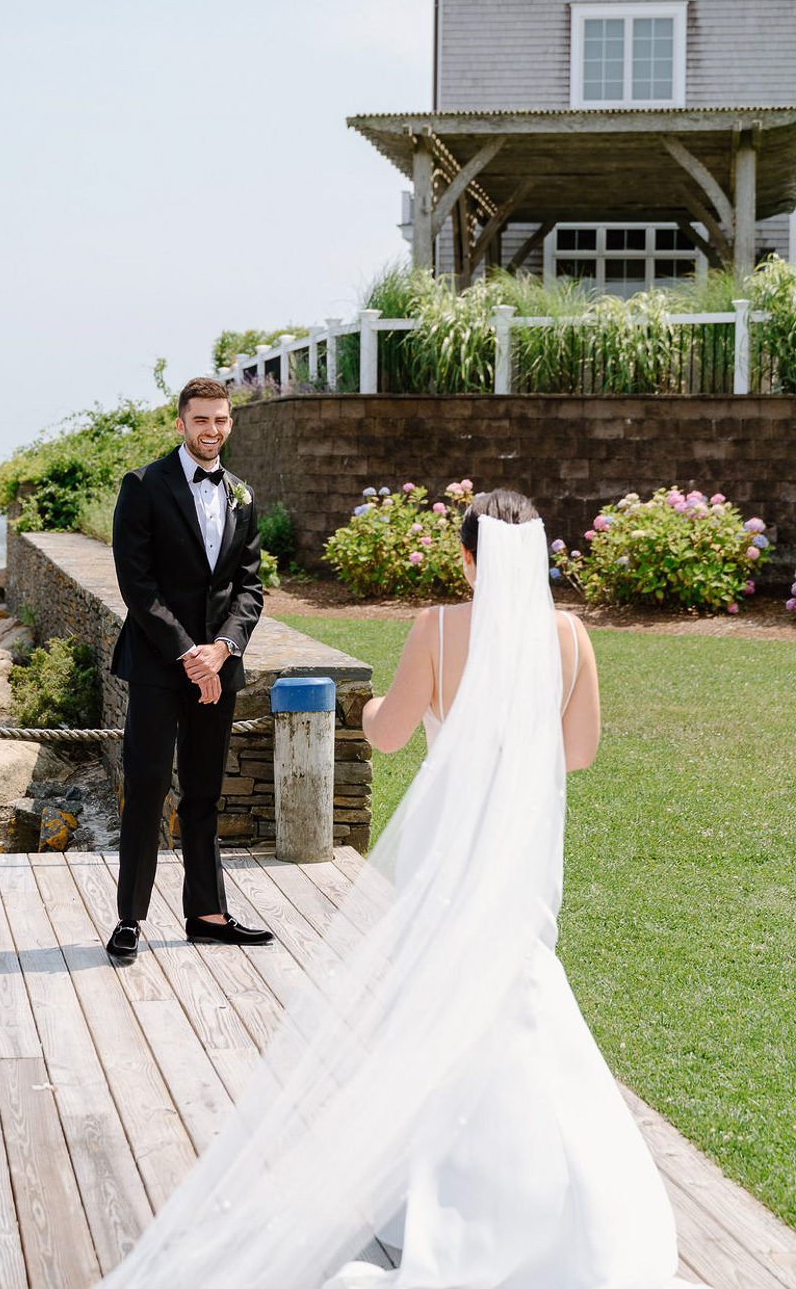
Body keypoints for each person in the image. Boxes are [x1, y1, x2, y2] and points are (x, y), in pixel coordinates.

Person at [98, 487, 701, 1288]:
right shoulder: (568, 636)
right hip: (521, 852)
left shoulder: (438, 630)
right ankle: (544, 1193)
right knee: (519, 997)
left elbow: (383, 734)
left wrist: (384, 702)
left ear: (466, 558)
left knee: (440, 1000)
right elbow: (579, 751)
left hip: (452, 854)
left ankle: (454, 1182)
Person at [105, 376, 273, 965]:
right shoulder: (144, 486)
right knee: (147, 790)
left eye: (222, 419)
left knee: (204, 793)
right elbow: (138, 585)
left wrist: (221, 649)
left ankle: (207, 913)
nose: (212, 430)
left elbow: (249, 589)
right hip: (156, 664)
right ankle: (130, 918)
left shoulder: (243, 495)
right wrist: (187, 652)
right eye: (201, 420)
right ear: (181, 423)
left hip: (219, 668)